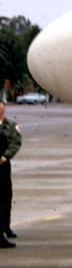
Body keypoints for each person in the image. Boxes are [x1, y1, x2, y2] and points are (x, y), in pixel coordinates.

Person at [0, 101, 19, 248]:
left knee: (5, 197)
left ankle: (5, 228)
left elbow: (15, 142)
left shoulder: (10, 126)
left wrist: (5, 156)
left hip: (3, 165)